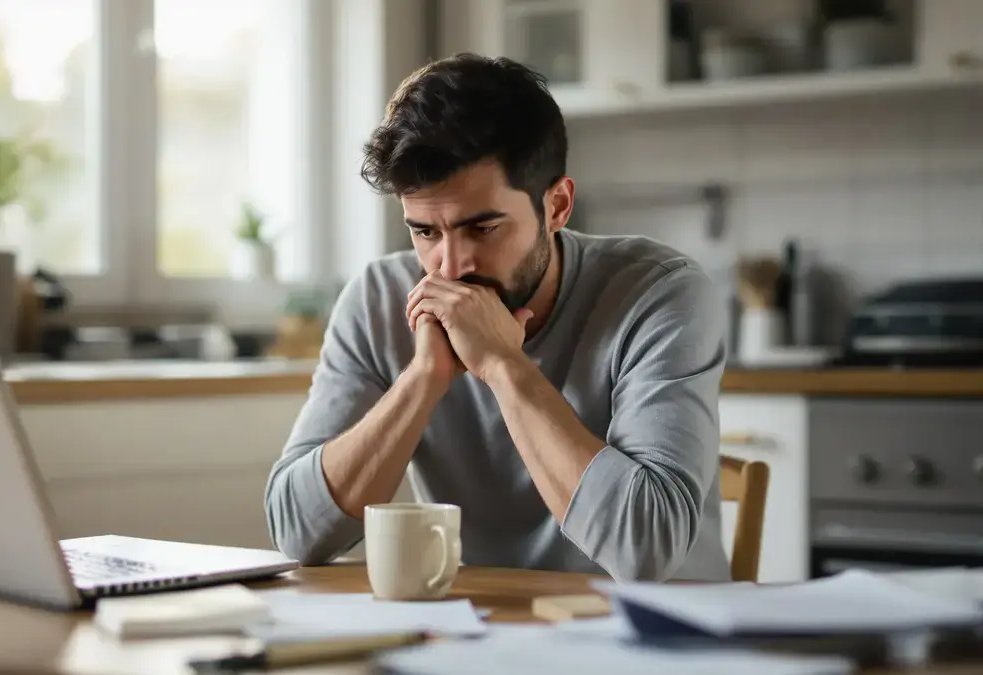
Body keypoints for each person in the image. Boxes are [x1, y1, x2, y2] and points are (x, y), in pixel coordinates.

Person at [264, 53, 730, 582]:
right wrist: (423, 379)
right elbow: (297, 533)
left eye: (483, 229)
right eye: (425, 232)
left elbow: (645, 550)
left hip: (654, 627)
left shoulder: (659, 293)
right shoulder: (378, 299)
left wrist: (503, 366)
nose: (450, 267)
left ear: (557, 206)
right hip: (482, 622)